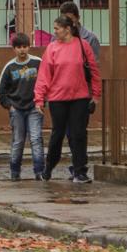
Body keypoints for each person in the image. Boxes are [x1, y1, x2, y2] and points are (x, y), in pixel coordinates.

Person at [34, 15, 102, 183]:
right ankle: (48, 168)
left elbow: (93, 70)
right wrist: (39, 99)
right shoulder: (51, 48)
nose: (54, 31)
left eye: (57, 28)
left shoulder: (83, 45)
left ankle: (80, 171)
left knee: (78, 135)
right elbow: (44, 76)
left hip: (79, 97)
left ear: (67, 29)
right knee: (57, 135)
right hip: (58, 99)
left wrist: (96, 94)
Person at [0, 33, 44, 180]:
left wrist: (42, 102)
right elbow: (1, 91)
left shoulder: (38, 63)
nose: (22, 50)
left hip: (34, 107)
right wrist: (9, 106)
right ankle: (15, 171)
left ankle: (39, 171)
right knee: (18, 140)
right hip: (16, 109)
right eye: (18, 47)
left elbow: (46, 82)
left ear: (29, 47)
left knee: (36, 138)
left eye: (25, 46)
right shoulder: (9, 67)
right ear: (14, 49)